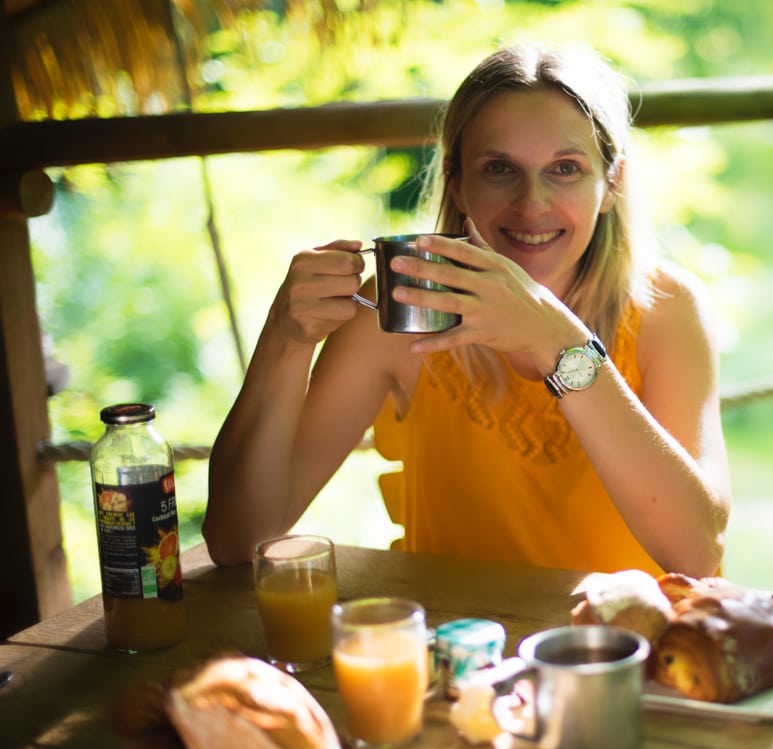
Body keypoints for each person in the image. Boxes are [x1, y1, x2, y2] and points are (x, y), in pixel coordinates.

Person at [202, 43, 730, 577]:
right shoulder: (398, 315)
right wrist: (286, 340)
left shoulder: (668, 310)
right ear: (456, 180)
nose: (532, 204)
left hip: (616, 654)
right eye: (500, 168)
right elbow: (238, 540)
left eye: (565, 169)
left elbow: (697, 554)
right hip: (448, 651)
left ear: (610, 182)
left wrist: (557, 343)